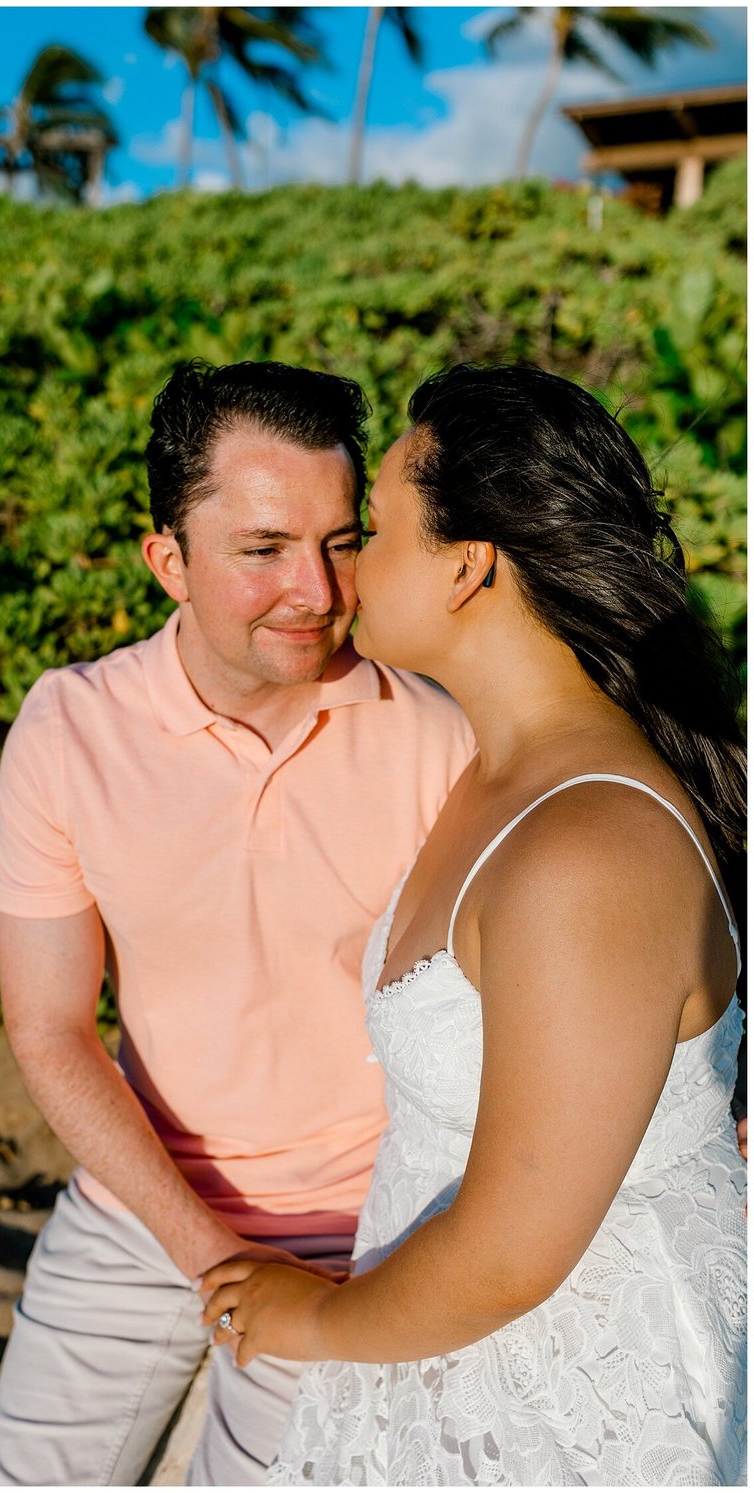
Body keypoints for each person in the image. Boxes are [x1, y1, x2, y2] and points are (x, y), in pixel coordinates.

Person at [201, 364, 747, 1486]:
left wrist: (307, 1318)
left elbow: (508, 1251)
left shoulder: (588, 841)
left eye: (378, 528)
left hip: (581, 1394)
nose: (342, 566)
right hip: (441, 1343)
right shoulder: (498, 771)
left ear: (470, 566)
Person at [0, 361, 476, 1486]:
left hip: (368, 1231)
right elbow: (49, 1027)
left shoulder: (436, 730)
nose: (313, 587)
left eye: (341, 541)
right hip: (136, 1197)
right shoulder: (69, 727)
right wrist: (213, 1255)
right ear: (169, 562)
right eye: (262, 549)